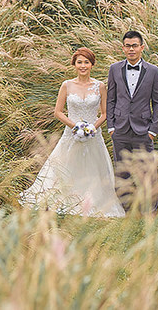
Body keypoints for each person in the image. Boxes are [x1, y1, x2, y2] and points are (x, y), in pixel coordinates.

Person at [19, 47, 125, 218]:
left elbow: (105, 114)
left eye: (87, 62)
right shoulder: (66, 85)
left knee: (93, 171)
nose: (83, 66)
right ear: (74, 65)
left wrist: (92, 127)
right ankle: (62, 200)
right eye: (79, 62)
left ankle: (92, 203)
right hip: (71, 134)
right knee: (64, 168)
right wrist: (75, 126)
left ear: (92, 65)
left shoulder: (100, 86)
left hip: (93, 136)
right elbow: (58, 112)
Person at [106, 30, 158, 209]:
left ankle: (150, 211)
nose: (131, 49)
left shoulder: (153, 71)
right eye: (128, 46)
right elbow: (111, 99)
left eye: (135, 46)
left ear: (142, 47)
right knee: (122, 173)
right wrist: (111, 127)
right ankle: (125, 210)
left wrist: (152, 131)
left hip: (143, 131)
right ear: (123, 48)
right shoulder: (114, 69)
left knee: (147, 174)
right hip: (120, 130)